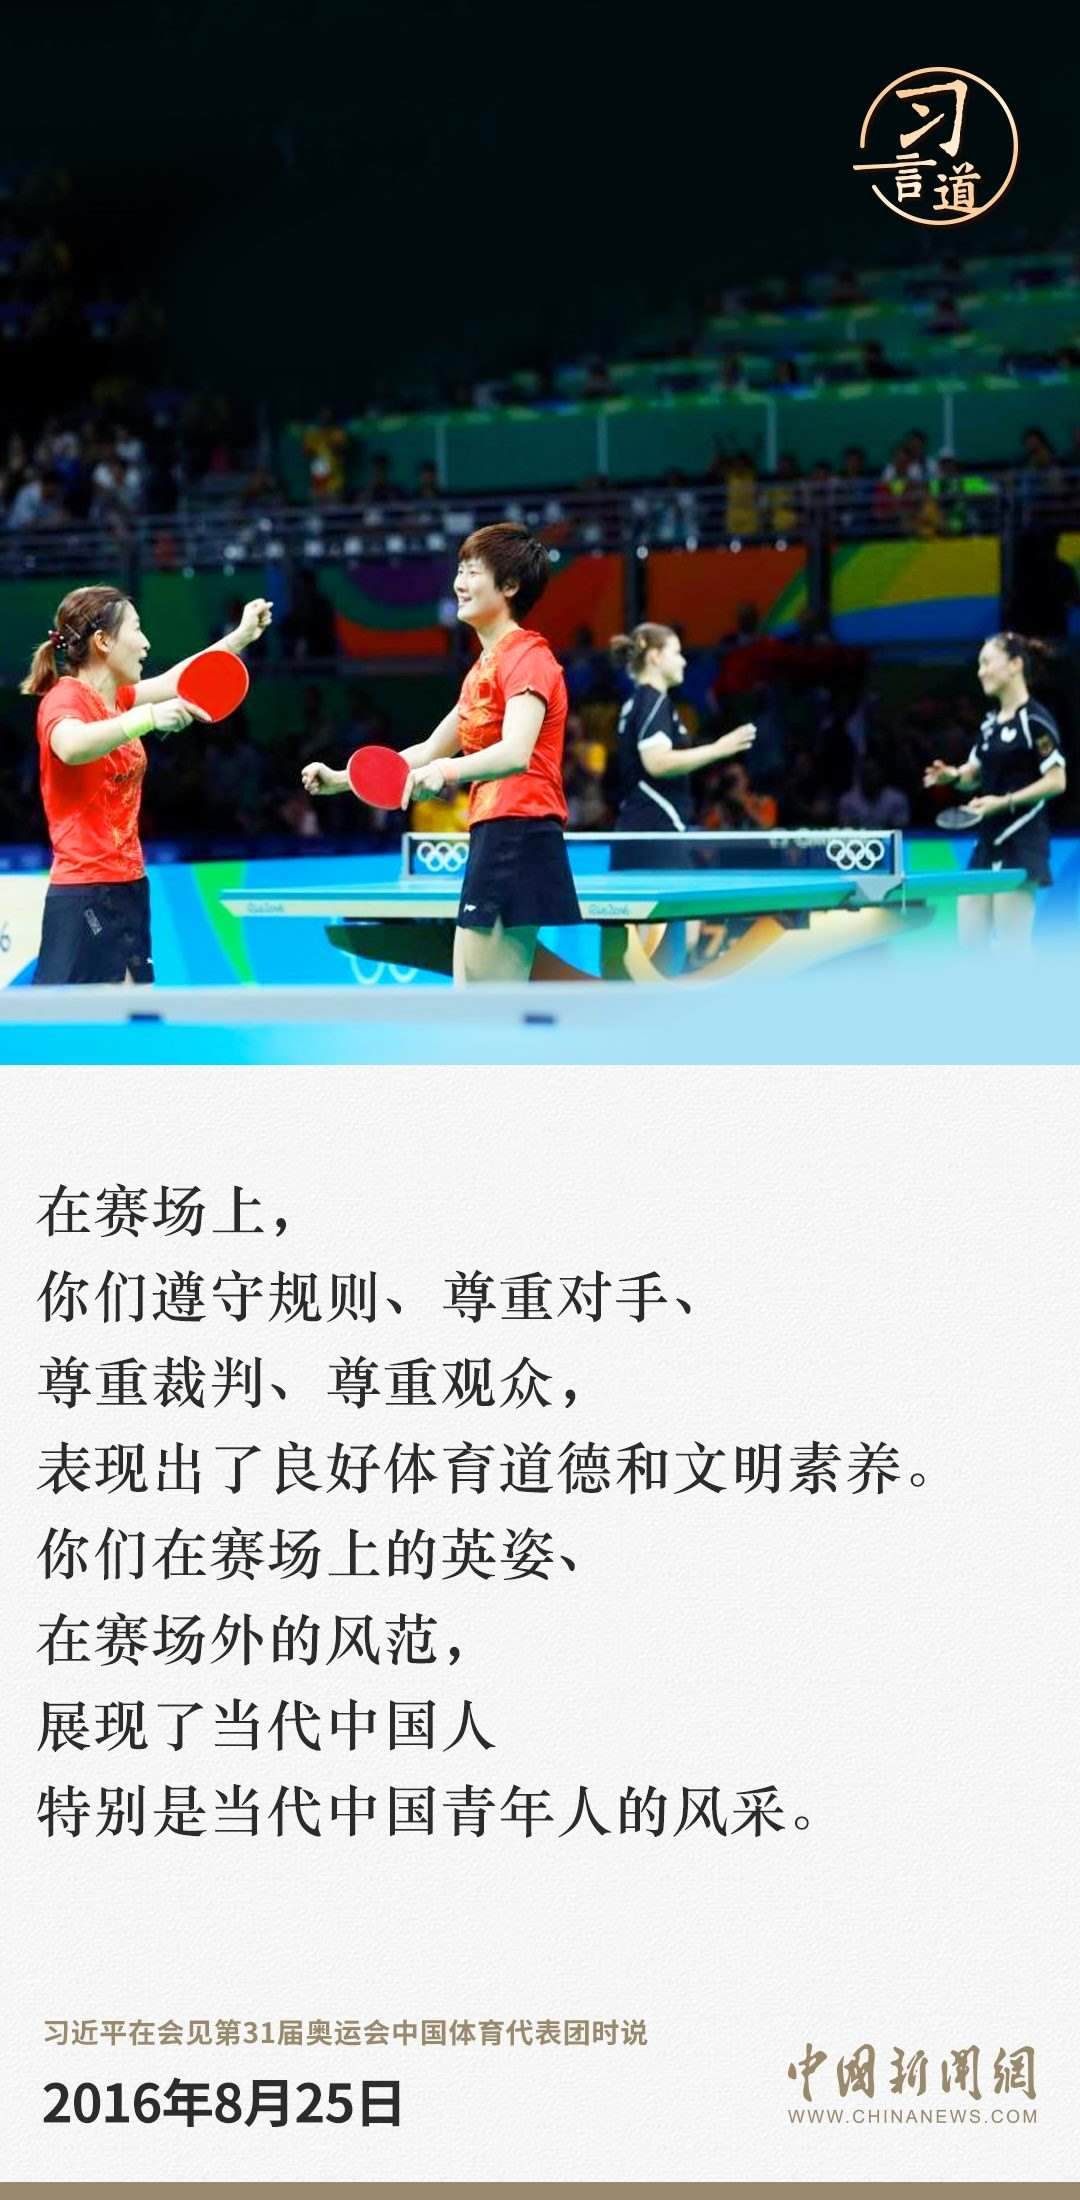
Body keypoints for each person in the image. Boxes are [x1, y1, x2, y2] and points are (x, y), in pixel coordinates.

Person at [302, 523, 578, 982]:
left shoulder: (528, 658)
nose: (459, 583)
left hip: (520, 828)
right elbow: (430, 749)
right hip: (493, 829)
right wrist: (342, 779)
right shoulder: (484, 668)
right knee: (472, 989)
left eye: (472, 571)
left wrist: (446, 773)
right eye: (459, 570)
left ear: (510, 585)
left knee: (490, 1000)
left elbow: (516, 752)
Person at [21, 586, 272, 983]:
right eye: (136, 630)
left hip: (129, 885)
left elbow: (179, 680)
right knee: (84, 1022)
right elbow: (71, 746)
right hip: (86, 891)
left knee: (134, 1015)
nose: (146, 643)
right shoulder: (65, 699)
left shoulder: (116, 700)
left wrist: (239, 637)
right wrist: (148, 718)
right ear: (103, 641)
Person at [924, 632, 1066, 947]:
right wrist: (952, 776)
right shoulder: (990, 724)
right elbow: (974, 774)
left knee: (1011, 953)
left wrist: (1003, 802)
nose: (981, 672)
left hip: (1022, 841)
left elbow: (1057, 781)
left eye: (987, 662)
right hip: (987, 842)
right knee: (970, 945)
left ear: (1015, 665)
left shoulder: (1035, 720)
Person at [609, 624, 755, 866]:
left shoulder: (639, 701)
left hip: (642, 833)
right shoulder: (652, 701)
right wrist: (719, 749)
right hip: (654, 835)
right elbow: (657, 762)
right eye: (676, 653)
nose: (683, 661)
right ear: (655, 657)